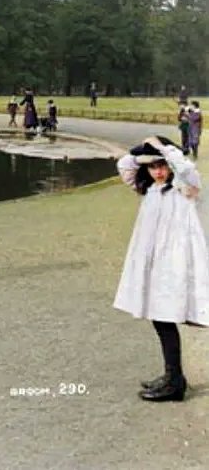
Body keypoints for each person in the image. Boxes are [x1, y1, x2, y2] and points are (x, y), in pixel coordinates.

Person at [113, 136, 209, 402]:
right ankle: (172, 376)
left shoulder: (184, 188)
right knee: (159, 319)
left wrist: (165, 147)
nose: (158, 171)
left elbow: (187, 170)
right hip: (153, 264)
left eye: (162, 165)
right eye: (152, 166)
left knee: (165, 319)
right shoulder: (149, 189)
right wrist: (139, 150)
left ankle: (174, 382)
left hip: (172, 265)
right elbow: (124, 166)